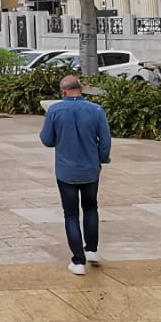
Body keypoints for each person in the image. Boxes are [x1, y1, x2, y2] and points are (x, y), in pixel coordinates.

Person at [39, 75, 110, 275]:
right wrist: (101, 159)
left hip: (65, 170)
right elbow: (105, 141)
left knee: (71, 214)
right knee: (90, 207)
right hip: (90, 169)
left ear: (63, 91)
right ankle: (92, 250)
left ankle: (78, 261)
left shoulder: (55, 110)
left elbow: (47, 140)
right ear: (81, 89)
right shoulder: (96, 110)